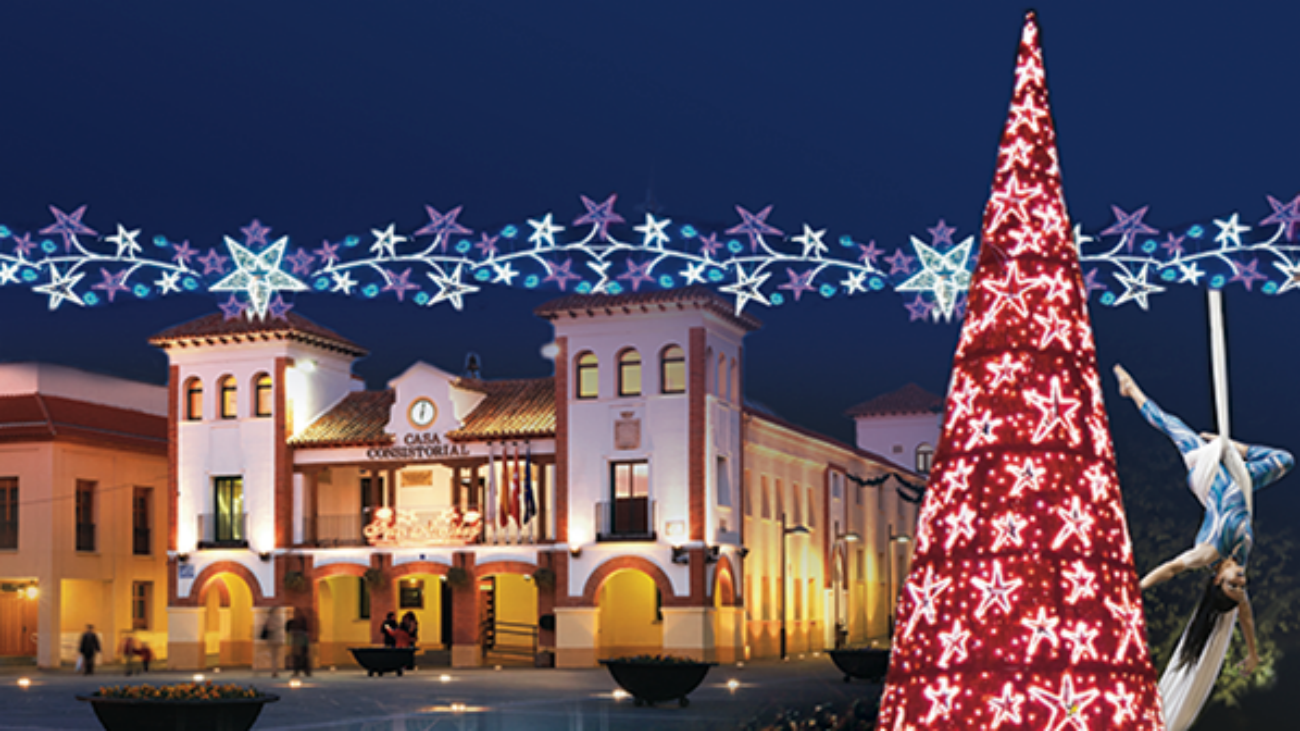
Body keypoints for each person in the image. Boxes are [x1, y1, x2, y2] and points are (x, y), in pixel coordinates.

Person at [1115, 364, 1293, 731]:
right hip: (1240, 479)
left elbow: (1171, 568)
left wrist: (1136, 589)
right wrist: (1253, 655)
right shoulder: (1238, 565)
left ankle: (1131, 390)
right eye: (1241, 585)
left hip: (1208, 473)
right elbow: (1245, 618)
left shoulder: (1208, 553)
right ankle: (1231, 446)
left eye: (1233, 583)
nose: (1241, 580)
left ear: (1216, 581)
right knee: (1285, 460)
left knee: (1169, 423)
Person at [287, 609, 312, 677]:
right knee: (301, 657)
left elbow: (289, 629)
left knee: (299, 657)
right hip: (301, 641)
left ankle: (299, 671)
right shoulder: (301, 621)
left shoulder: (296, 621)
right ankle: (305, 671)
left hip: (299, 641)